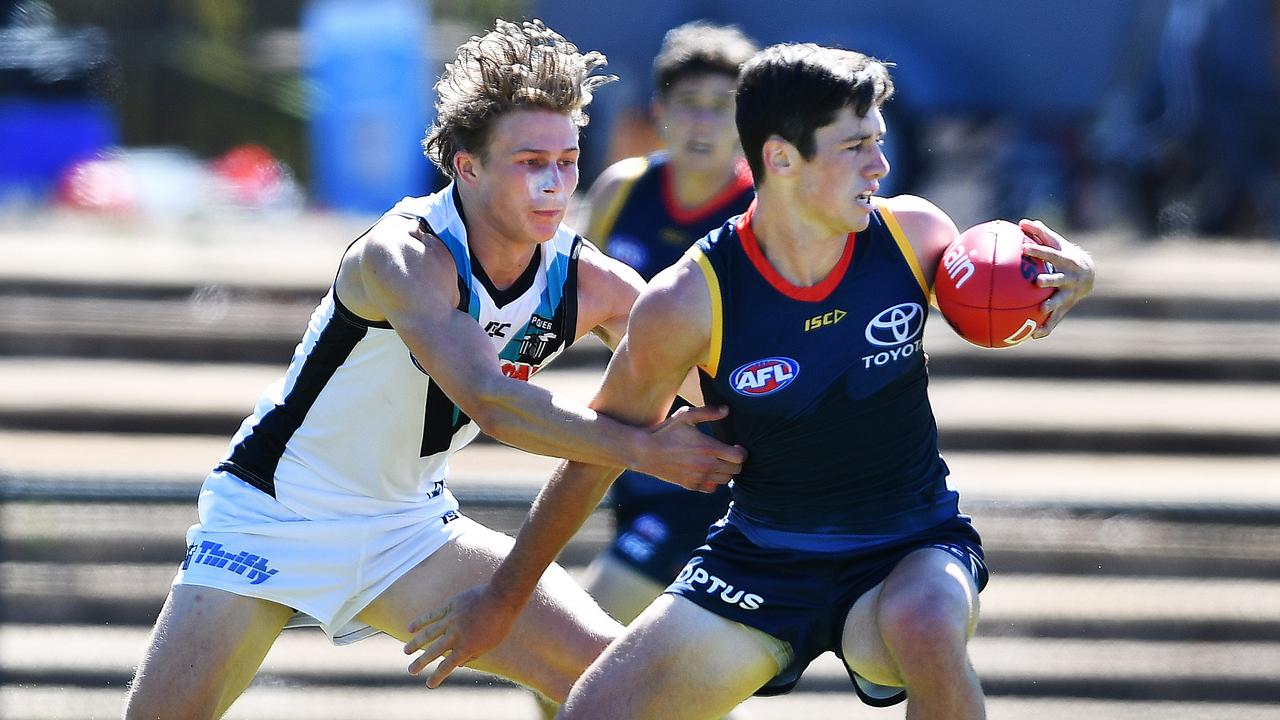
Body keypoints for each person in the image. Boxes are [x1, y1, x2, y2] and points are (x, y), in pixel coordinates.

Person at [404, 42, 1096, 719]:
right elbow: (593, 455)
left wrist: (1074, 280)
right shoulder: (687, 301)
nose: (881, 164)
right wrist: (502, 598)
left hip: (908, 544)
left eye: (878, 141)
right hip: (761, 556)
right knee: (594, 709)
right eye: (855, 146)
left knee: (924, 622)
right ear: (782, 158)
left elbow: (1002, 293)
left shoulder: (914, 234)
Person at [122, 19, 745, 720]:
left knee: (636, 687)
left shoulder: (589, 280)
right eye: (529, 161)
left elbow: (729, 395)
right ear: (467, 164)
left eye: (567, 161)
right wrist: (643, 450)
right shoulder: (404, 254)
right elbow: (490, 401)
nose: (553, 185)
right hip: (274, 512)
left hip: (408, 529)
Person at [576, 20, 758, 625]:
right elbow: (580, 304)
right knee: (666, 686)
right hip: (637, 445)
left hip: (719, 461)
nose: (703, 123)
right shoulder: (621, 192)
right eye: (689, 105)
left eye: (721, 107)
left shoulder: (767, 212)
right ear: (659, 112)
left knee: (578, 644)